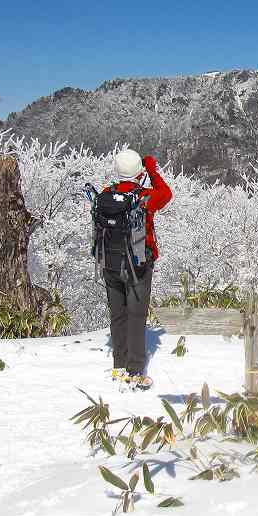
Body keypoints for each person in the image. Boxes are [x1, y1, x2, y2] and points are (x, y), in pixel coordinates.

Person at [103, 149, 172, 388]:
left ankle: (118, 365)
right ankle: (135, 370)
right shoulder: (144, 196)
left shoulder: (105, 194)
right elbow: (166, 194)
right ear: (138, 172)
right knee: (136, 315)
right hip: (137, 265)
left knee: (118, 314)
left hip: (110, 263)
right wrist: (151, 169)